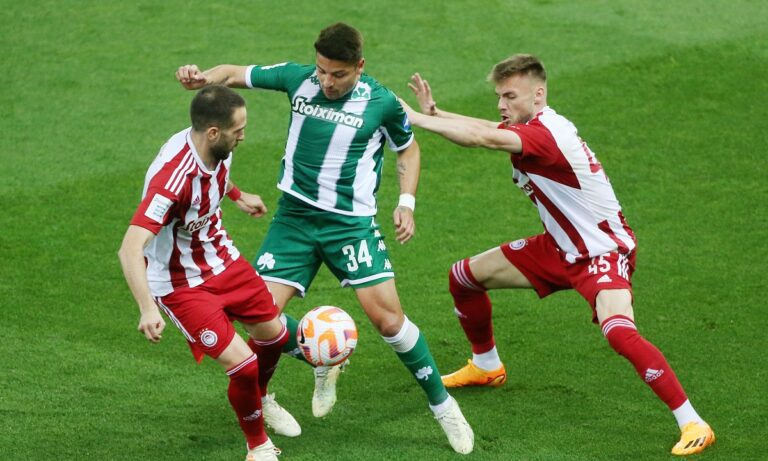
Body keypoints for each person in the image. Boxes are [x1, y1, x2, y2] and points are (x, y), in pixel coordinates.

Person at [174, 22, 474, 454]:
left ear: (359, 66)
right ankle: (279, 386)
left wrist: (406, 202)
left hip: (350, 225)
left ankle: (443, 406)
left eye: (338, 74)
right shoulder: (298, 79)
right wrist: (203, 77)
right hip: (294, 220)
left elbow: (407, 148)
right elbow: (234, 73)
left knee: (390, 321)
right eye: (322, 71)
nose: (327, 82)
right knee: (262, 318)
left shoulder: (382, 103)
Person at [402, 54, 715, 456]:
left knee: (619, 331)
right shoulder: (533, 125)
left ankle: (692, 421)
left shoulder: (547, 135)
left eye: (510, 96)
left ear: (538, 94)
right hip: (559, 247)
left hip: (602, 251)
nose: (501, 104)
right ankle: (486, 365)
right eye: (499, 96)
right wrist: (437, 113)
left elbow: (484, 138)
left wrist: (417, 119)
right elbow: (489, 128)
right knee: (464, 276)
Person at [118, 85, 302, 461]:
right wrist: (147, 309)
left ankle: (261, 399)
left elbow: (216, 175)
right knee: (243, 365)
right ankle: (258, 446)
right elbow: (130, 248)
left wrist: (237, 195)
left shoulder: (216, 147)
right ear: (214, 132)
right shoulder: (171, 181)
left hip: (222, 258)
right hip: (180, 284)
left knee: (273, 336)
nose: (244, 136)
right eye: (239, 130)